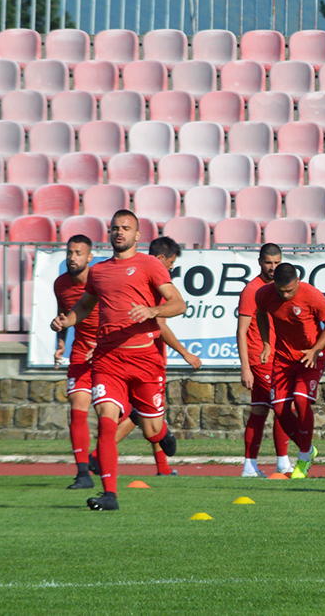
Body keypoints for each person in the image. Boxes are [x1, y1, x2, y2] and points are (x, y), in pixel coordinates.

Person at [52, 210, 186, 511]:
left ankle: (163, 433)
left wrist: (153, 311)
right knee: (106, 422)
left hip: (144, 359)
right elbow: (85, 306)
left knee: (151, 429)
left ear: (137, 235)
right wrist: (66, 321)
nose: (119, 233)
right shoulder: (99, 271)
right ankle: (110, 494)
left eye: (126, 228)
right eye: (115, 228)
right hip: (108, 360)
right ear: (109, 234)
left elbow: (179, 304)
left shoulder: (150, 265)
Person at [87, 236, 199, 478]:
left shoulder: (151, 279)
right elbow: (161, 327)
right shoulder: (149, 278)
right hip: (143, 356)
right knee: (139, 414)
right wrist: (185, 352)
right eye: (170, 262)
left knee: (146, 415)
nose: (171, 268)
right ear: (160, 259)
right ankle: (98, 456)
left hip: (142, 354)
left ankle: (162, 467)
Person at [256, 262, 325, 479]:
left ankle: (302, 459)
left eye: (290, 291)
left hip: (311, 356)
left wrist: (315, 349)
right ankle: (309, 449)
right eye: (281, 291)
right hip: (283, 358)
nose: (285, 295)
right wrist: (267, 344)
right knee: (280, 409)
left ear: (297, 282)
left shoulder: (312, 296)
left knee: (301, 401)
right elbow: (261, 314)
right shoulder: (264, 294)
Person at [236, 243, 292, 477]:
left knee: (260, 410)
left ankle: (250, 466)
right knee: (282, 406)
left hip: (276, 358)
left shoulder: (281, 288)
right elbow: (241, 331)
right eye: (268, 263)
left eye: (277, 262)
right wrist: (245, 368)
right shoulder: (253, 290)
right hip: (260, 359)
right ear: (260, 262)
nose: (273, 267)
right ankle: (282, 462)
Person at [53, 235, 100, 490]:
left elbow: (118, 314)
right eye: (70, 252)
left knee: (112, 413)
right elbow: (64, 313)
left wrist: (103, 345)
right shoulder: (60, 284)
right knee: (78, 405)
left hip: (109, 349)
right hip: (81, 350)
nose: (72, 257)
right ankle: (83, 473)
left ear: (89, 257)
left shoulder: (101, 280)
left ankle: (100, 457)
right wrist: (61, 341)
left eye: (78, 253)